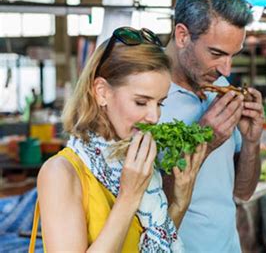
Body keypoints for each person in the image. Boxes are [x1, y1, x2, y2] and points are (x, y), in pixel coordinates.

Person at [32, 27, 207, 252]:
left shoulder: (133, 160)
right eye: (141, 102)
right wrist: (128, 197)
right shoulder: (60, 173)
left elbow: (153, 243)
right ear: (102, 92)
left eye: (160, 103)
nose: (155, 117)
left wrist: (180, 203)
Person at [160, 0, 264, 252]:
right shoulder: (146, 97)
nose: (226, 69)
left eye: (232, 55)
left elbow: (242, 193)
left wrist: (252, 141)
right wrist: (203, 142)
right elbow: (144, 203)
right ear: (182, 35)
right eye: (216, 54)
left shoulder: (217, 81)